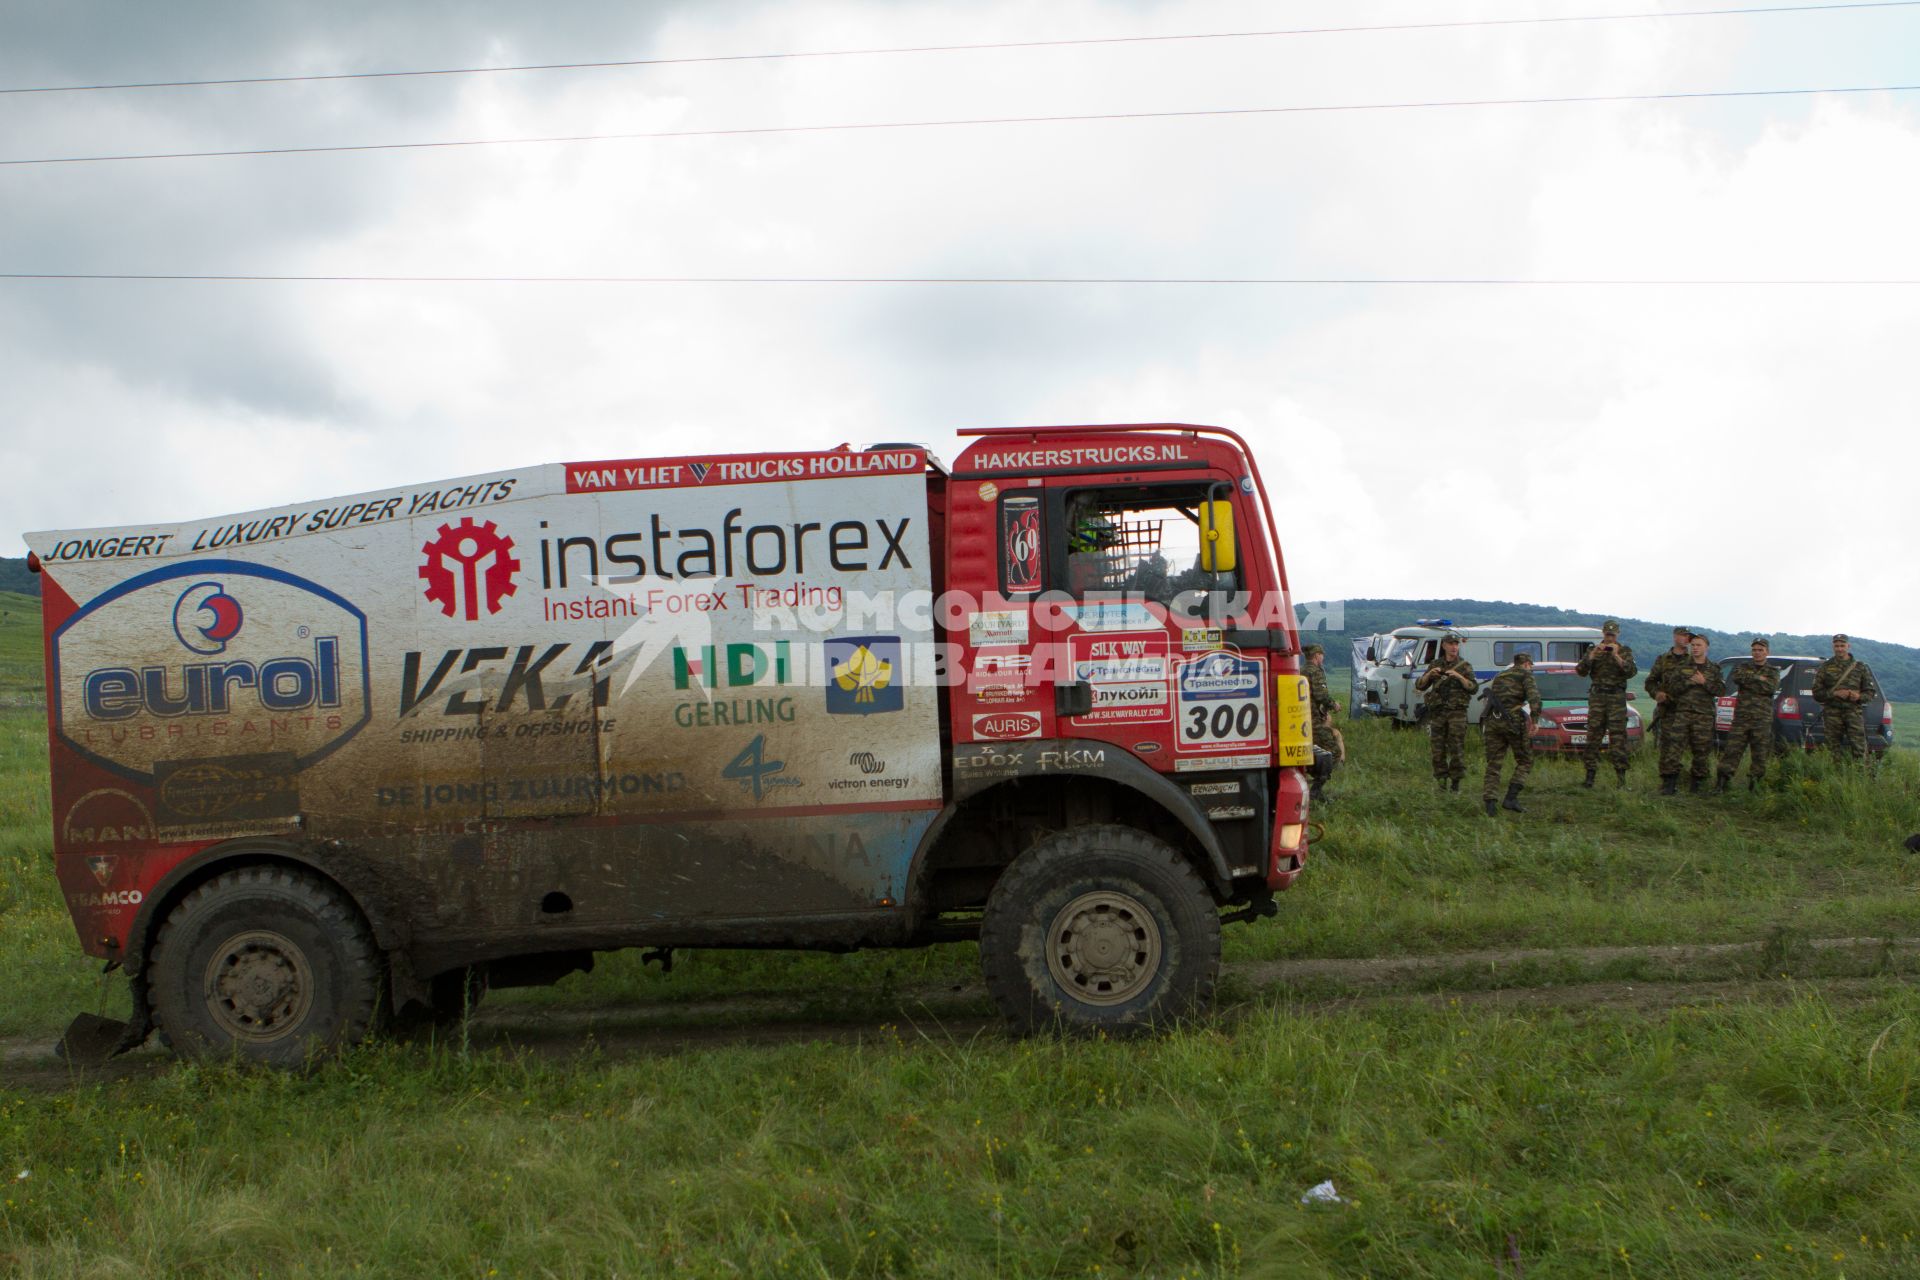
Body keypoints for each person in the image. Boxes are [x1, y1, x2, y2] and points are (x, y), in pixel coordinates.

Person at [1657, 632, 1725, 794]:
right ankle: (1670, 784)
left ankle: (1697, 785)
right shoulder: (1681, 667)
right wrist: (1688, 682)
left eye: (1698, 645)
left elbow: (1721, 690)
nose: (1695, 648)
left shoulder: (1713, 669)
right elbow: (1671, 689)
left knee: (1701, 750)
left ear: (1706, 647)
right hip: (1683, 714)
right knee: (1674, 749)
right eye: (1692, 645)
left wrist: (1704, 682)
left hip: (1704, 716)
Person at [1575, 619, 1637, 787]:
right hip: (1598, 698)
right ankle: (1589, 777)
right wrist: (1592, 656)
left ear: (1618, 634)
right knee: (1593, 736)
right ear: (1603, 633)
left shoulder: (1624, 651)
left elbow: (1631, 672)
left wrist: (1616, 655)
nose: (1609, 638)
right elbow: (1580, 671)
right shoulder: (1592, 650)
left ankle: (1621, 779)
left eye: (1613, 634)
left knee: (1618, 738)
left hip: (1616, 698)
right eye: (1607, 634)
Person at [1480, 651, 1541, 816]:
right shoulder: (1526, 675)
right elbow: (1534, 699)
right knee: (1525, 760)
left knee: (1494, 763)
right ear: (1527, 664)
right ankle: (1511, 798)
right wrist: (1535, 721)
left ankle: (1490, 805)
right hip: (1513, 721)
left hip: (1493, 721)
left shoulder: (1500, 675)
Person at [1415, 632, 1478, 792]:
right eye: (1450, 644)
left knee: (1456, 748)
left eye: (1456, 644)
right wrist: (1430, 674)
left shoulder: (1464, 666)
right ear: (1444, 646)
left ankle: (1455, 784)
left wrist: (1459, 677)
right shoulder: (1436, 664)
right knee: (1438, 750)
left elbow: (1473, 688)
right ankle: (1441, 783)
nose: (1454, 647)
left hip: (1457, 713)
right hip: (1438, 713)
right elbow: (1420, 685)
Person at [1717, 637, 1780, 791]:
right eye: (1754, 650)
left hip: (1761, 720)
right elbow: (1737, 678)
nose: (1757, 653)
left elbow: (1770, 688)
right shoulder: (1743, 667)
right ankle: (1721, 784)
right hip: (1741, 718)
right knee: (1732, 751)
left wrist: (1751, 680)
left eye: (1760, 650)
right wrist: (1759, 678)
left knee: (1759, 754)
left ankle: (1754, 787)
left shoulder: (1772, 671)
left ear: (1767, 652)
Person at [1811, 633, 1879, 764]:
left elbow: (1870, 693)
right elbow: (1817, 694)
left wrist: (1858, 696)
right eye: (1837, 646)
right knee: (1832, 750)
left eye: (1842, 646)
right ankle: (1835, 778)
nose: (1840, 649)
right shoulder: (1825, 667)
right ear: (1833, 647)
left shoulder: (1860, 667)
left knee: (1859, 748)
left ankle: (1859, 778)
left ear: (1848, 646)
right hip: (1832, 714)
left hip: (1853, 713)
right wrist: (1834, 694)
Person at [1642, 626, 1693, 741]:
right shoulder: (1663, 659)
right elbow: (1650, 682)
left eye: (1688, 636)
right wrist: (1657, 694)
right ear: (1675, 637)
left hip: (1688, 710)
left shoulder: (1693, 660)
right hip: (1668, 710)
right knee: (1666, 746)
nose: (1687, 638)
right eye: (1683, 635)